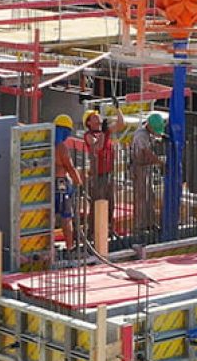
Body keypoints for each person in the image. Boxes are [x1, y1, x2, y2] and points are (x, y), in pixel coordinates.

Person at [82, 107, 125, 237]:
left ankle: (110, 229)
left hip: (108, 173)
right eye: (94, 117)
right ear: (89, 122)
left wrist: (118, 109)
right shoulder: (89, 135)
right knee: (97, 203)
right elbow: (98, 147)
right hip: (97, 175)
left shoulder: (105, 132)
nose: (98, 117)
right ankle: (92, 232)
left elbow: (121, 124)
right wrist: (103, 134)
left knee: (111, 202)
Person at [130, 112, 165, 233]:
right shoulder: (141, 136)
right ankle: (140, 226)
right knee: (141, 197)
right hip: (139, 168)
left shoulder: (148, 133)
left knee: (150, 196)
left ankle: (150, 223)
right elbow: (147, 153)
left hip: (146, 167)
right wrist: (160, 162)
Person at [53, 114, 82, 253]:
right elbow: (70, 167)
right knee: (66, 216)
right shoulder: (62, 147)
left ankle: (48, 245)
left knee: (50, 215)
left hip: (50, 183)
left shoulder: (47, 145)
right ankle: (70, 246)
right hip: (61, 183)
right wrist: (79, 182)